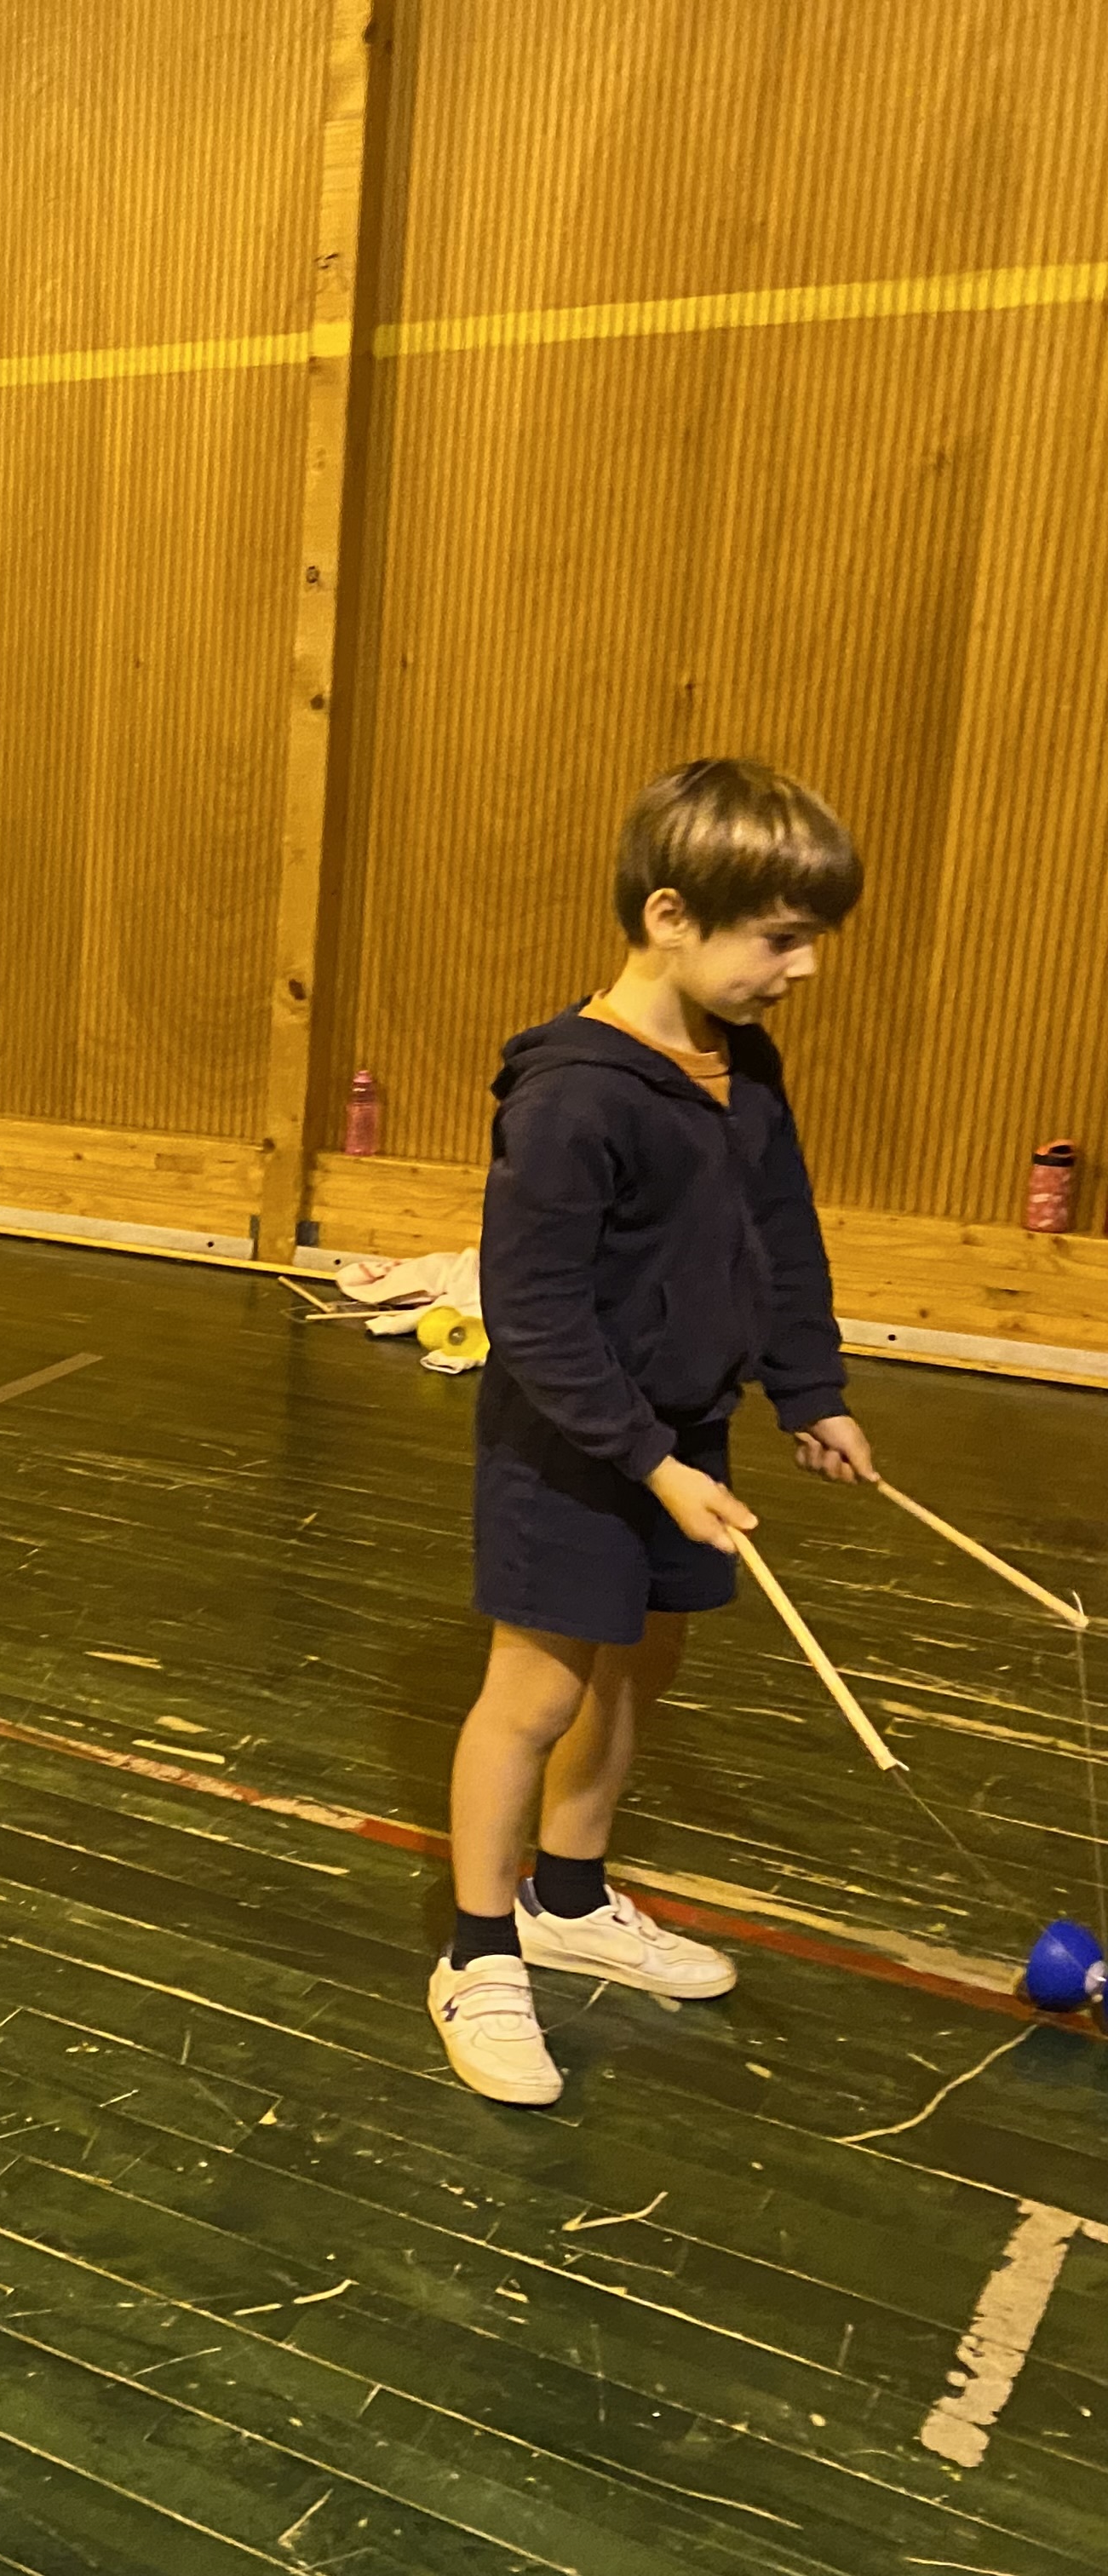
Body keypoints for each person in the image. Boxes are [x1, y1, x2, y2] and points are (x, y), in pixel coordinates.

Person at [427, 758, 876, 2107]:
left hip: (687, 1432)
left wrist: (811, 1390)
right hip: (573, 1444)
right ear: (671, 915)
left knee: (636, 1673)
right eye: (780, 939)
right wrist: (652, 1465)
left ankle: (568, 1899)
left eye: (811, 939)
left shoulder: (744, 1059)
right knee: (536, 1696)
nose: (803, 968)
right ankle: (477, 1951)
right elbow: (534, 1313)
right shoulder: (573, 1096)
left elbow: (776, 1233)